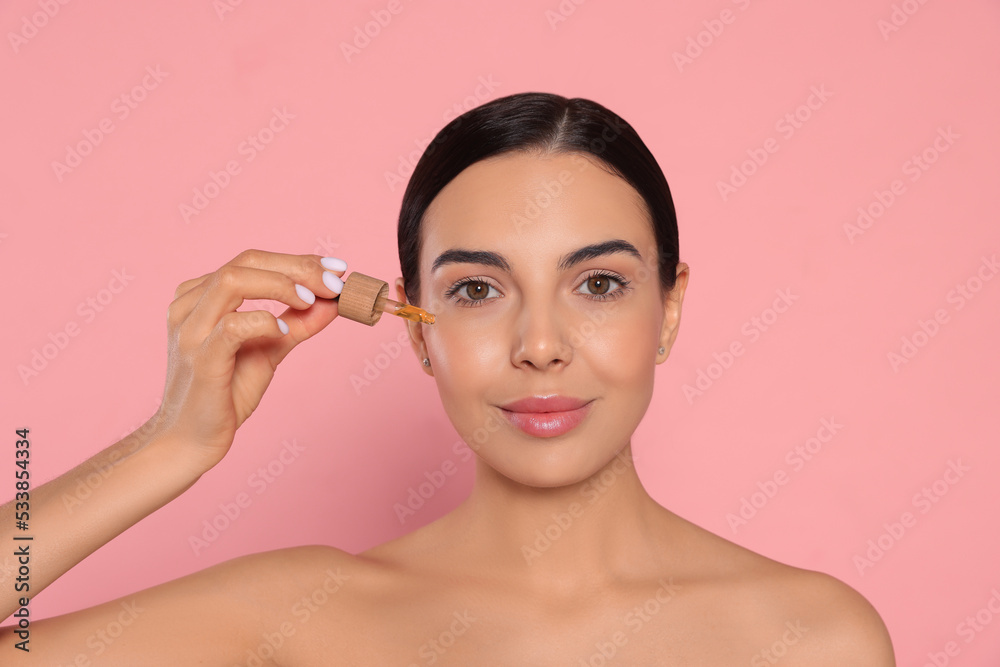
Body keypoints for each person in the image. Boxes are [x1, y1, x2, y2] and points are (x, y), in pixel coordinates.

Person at [1, 92, 896, 664]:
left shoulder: (809, 638)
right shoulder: (295, 616)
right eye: (476, 289)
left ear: (667, 308)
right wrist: (169, 445)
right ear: (416, 328)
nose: (540, 345)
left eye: (598, 284)